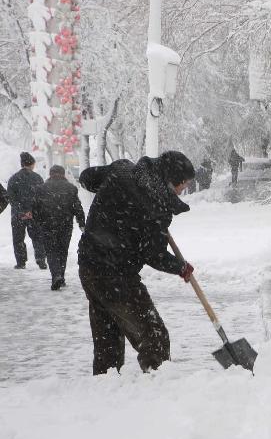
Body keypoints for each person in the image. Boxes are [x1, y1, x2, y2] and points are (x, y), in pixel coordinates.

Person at [78, 151, 196, 375]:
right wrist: (180, 267)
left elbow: (86, 177)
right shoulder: (156, 205)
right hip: (117, 275)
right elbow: (152, 254)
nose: (183, 190)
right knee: (154, 337)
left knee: (108, 340)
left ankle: (104, 389)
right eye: (184, 184)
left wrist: (113, 191)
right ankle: (156, 390)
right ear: (172, 180)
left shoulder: (122, 169)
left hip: (89, 265)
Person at [32, 165, 86, 290]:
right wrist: (81, 223)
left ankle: (56, 275)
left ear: (50, 174)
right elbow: (77, 207)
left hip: (47, 225)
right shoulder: (71, 188)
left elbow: (35, 208)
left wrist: (38, 222)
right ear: (63, 174)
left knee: (51, 251)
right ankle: (60, 276)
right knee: (63, 251)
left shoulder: (41, 188)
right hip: (65, 225)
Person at [7, 151, 47, 269]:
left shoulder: (13, 179)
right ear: (32, 164)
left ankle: (21, 262)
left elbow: (11, 198)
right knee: (38, 238)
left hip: (17, 215)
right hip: (34, 215)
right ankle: (41, 261)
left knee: (18, 239)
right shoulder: (38, 178)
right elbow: (42, 197)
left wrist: (22, 212)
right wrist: (30, 211)